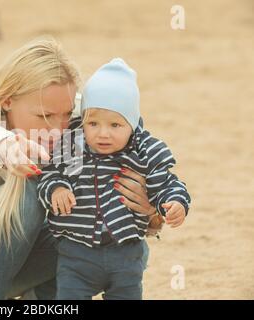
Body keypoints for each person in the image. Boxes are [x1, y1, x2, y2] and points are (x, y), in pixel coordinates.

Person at [0, 38, 157, 300]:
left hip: (17, 263)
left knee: (120, 246)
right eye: (44, 117)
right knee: (28, 186)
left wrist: (148, 209)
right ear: (7, 100)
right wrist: (6, 146)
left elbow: (128, 144)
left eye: (66, 114)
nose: (59, 128)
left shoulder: (82, 115)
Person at [37, 58, 191, 300]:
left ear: (131, 123)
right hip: (75, 254)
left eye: (116, 125)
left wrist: (176, 203)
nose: (103, 133)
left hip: (126, 254)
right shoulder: (71, 144)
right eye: (93, 123)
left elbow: (168, 183)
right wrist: (57, 188)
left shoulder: (144, 151)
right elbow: (49, 173)